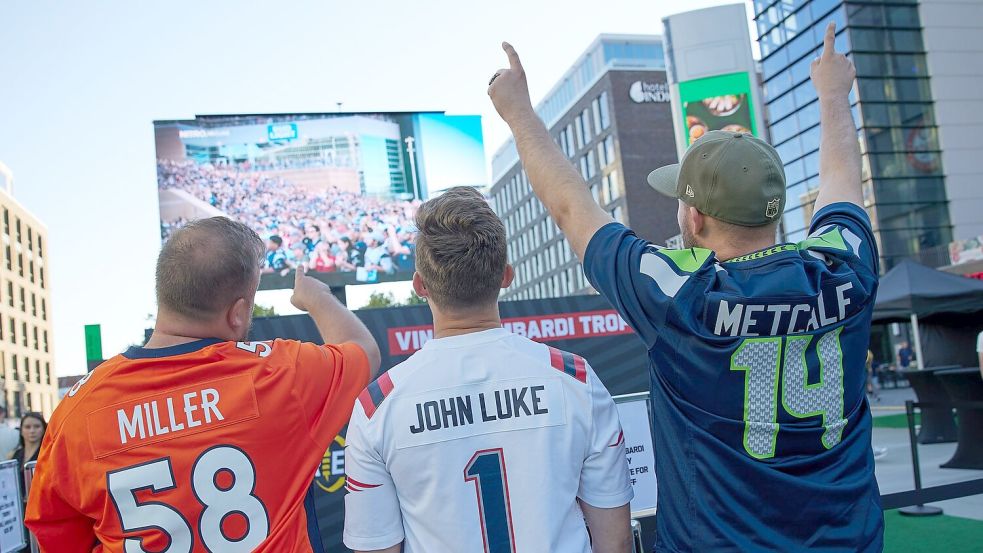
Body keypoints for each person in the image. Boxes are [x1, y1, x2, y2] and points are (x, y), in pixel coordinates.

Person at [488, 22, 883, 551]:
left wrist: (517, 113)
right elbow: (844, 186)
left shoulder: (679, 296)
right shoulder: (844, 270)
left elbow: (570, 206)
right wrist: (835, 96)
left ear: (694, 218)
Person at [25, 216, 381, 551]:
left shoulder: (78, 409)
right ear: (237, 312)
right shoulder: (282, 373)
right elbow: (362, 350)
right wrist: (317, 297)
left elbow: (56, 535)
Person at [343, 187, 633, 553]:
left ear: (419, 285)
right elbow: (617, 541)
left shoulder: (378, 406)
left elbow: (376, 548)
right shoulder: (574, 379)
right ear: (506, 276)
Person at [10, 411, 46, 552]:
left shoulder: (46, 453)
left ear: (43, 428)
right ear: (21, 430)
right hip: (18, 513)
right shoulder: (16, 454)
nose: (32, 431)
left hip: (39, 512)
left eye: (36, 426)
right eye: (27, 427)